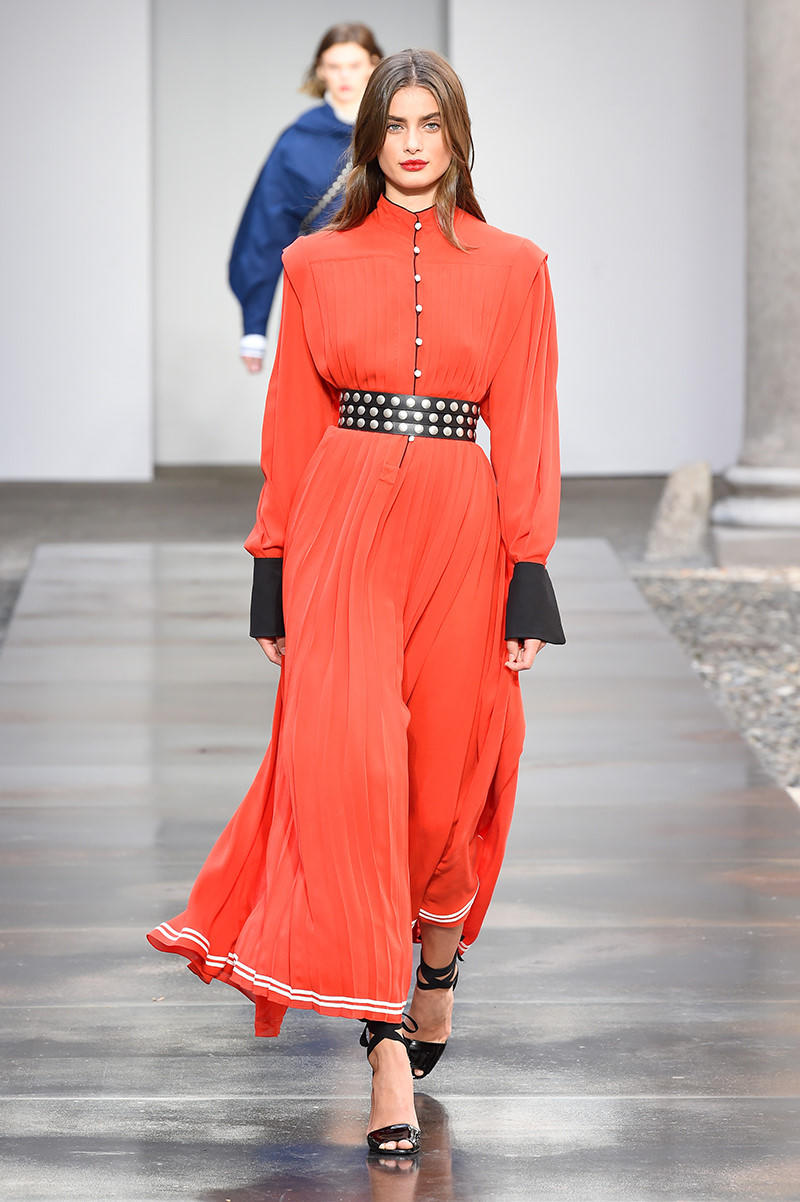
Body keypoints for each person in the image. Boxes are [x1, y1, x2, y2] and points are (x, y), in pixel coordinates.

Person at [148, 48, 566, 1158]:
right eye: (396, 124)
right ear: (368, 136)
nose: (413, 144)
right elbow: (291, 423)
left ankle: (437, 962)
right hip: (339, 532)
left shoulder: (516, 266)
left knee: (441, 790)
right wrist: (271, 568)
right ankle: (382, 1045)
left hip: (461, 533)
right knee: (353, 777)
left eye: (432, 124)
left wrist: (530, 567)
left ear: (456, 135)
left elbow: (527, 419)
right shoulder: (314, 262)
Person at [229, 22, 383, 374]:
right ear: (320, 70)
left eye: (354, 65)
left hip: (395, 288)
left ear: (373, 65)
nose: (344, 76)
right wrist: (254, 330)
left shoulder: (397, 129)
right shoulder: (298, 141)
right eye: (334, 66)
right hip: (326, 293)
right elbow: (265, 230)